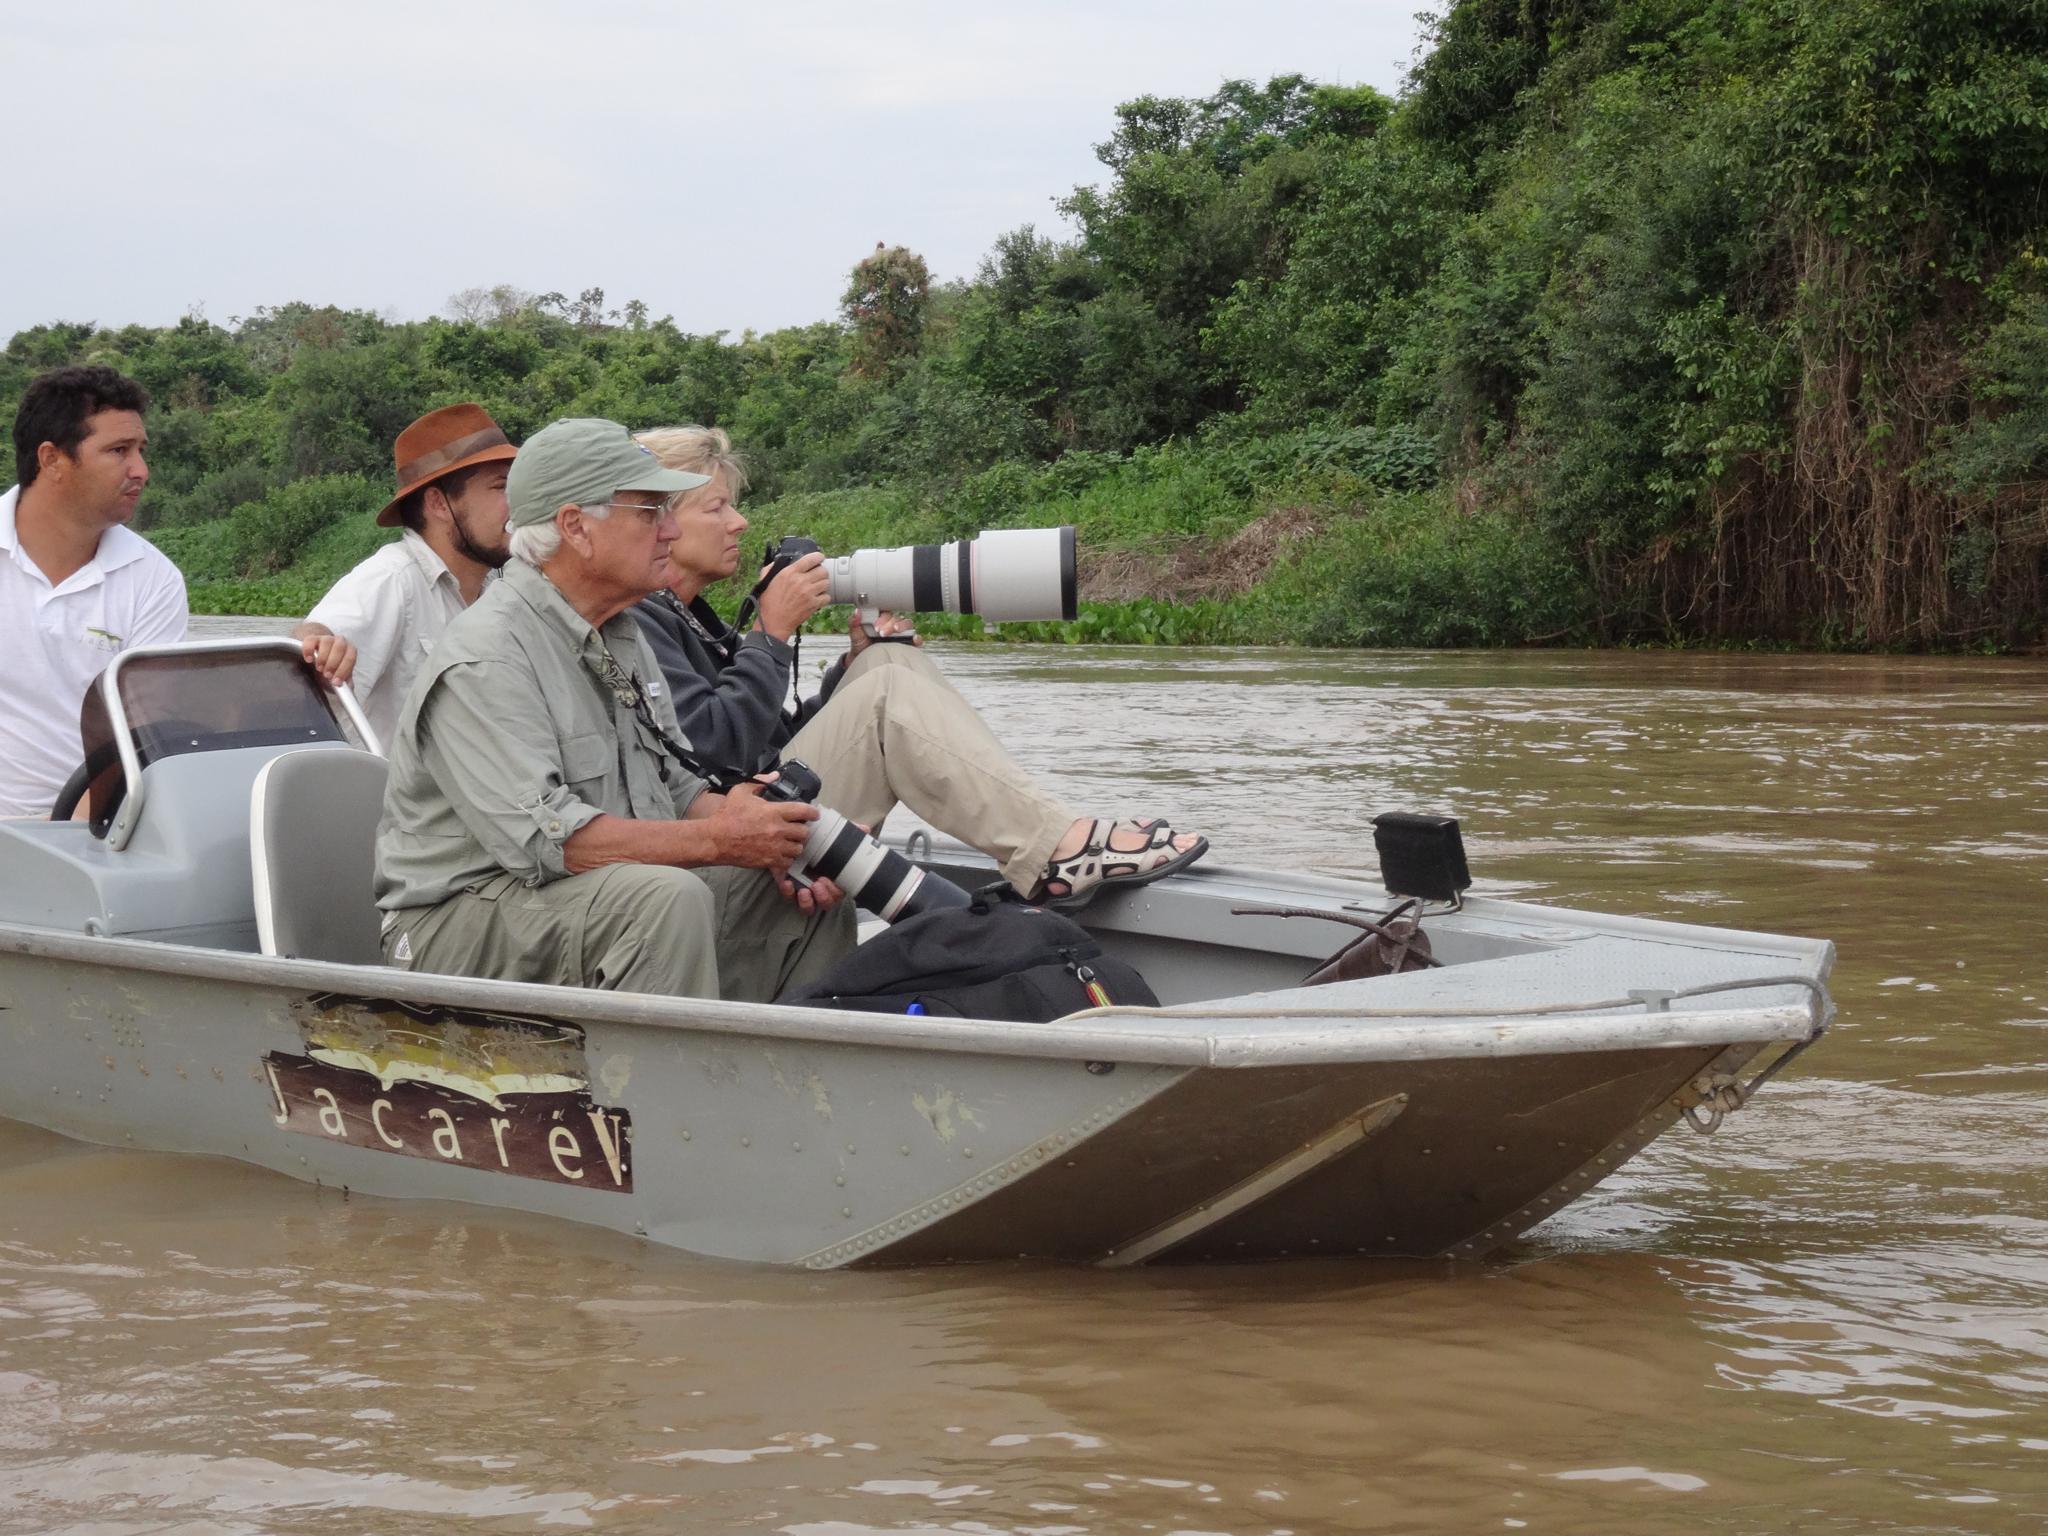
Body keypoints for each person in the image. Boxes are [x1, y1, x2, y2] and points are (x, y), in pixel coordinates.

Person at [374, 416, 853, 1002]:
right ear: (576, 527)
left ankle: (782, 1084)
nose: (671, 531)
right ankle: (653, 1092)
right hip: (453, 922)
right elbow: (554, 843)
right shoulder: (487, 658)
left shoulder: (619, 634)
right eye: (651, 511)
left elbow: (676, 790)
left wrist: (754, 823)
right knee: (663, 902)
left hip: (574, 897)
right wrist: (721, 840)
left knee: (809, 885)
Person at [629, 425, 1208, 907]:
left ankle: (1054, 837)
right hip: (729, 844)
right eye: (718, 507)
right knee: (884, 692)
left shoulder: (687, 616)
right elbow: (713, 750)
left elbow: (768, 742)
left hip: (765, 816)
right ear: (663, 521)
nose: (740, 523)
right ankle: (1057, 847)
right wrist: (771, 635)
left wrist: (846, 669)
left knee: (883, 662)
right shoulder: (638, 619)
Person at [1, 366, 187, 818]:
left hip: (90, 830)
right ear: (52, 460)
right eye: (118, 451)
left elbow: (146, 738)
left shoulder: (153, 580)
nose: (140, 471)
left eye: (140, 451)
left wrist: (63, 841)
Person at [291, 403, 517, 746]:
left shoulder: (497, 594)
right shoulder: (393, 578)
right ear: (440, 505)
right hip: (388, 798)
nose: (517, 503)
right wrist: (319, 645)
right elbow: (309, 644)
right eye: (501, 487)